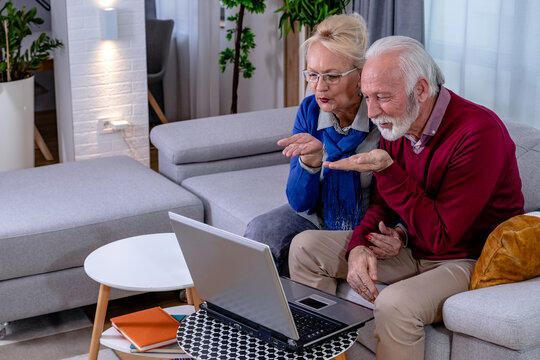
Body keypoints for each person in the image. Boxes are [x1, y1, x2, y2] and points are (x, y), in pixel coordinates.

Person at [288, 36, 524, 359]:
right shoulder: (398, 125)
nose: (371, 112)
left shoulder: (479, 134)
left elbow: (442, 237)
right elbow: (383, 203)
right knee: (304, 248)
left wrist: (388, 172)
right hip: (415, 245)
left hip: (466, 258)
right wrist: (359, 244)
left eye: (382, 98)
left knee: (394, 304)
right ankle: (326, 355)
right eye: (367, 97)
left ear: (421, 90)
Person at [244, 13, 380, 276]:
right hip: (316, 213)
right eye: (313, 75)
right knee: (259, 232)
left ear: (361, 75)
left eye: (331, 76)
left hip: (365, 221)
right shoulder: (310, 110)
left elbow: (390, 199)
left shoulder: (380, 116)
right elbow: (298, 201)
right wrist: (310, 162)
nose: (319, 87)